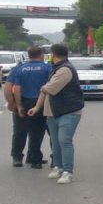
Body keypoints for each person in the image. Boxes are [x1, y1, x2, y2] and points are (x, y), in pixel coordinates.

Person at [29, 43, 85, 185]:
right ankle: (58, 167)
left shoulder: (65, 69)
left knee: (64, 141)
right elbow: (45, 90)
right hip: (53, 111)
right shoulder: (56, 68)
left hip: (68, 111)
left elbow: (49, 88)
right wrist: (37, 107)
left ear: (53, 54)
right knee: (56, 142)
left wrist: (43, 89)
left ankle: (68, 171)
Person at [6, 46, 52, 169]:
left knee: (20, 131)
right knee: (44, 131)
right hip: (43, 103)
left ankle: (17, 157)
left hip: (24, 102)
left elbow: (12, 88)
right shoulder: (47, 68)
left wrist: (15, 104)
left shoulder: (19, 69)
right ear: (42, 55)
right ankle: (40, 157)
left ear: (28, 55)